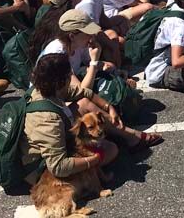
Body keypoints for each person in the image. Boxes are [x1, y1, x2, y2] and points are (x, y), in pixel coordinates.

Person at [18, 52, 119, 186]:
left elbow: (83, 92)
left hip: (53, 147)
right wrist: (93, 160)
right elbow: (58, 167)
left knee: (83, 104)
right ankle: (87, 186)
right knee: (110, 150)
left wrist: (108, 107)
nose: (71, 78)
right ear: (61, 81)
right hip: (41, 170)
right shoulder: (48, 120)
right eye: (69, 76)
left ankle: (128, 134)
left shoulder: (45, 90)